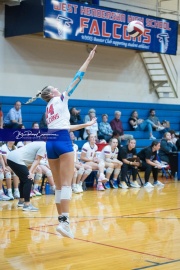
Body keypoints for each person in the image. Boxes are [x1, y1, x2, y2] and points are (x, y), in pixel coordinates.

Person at [24, 45, 97, 238]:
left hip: (51, 142)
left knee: (58, 186)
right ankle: (65, 222)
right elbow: (77, 78)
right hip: (63, 142)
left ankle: (62, 222)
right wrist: (89, 59)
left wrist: (86, 124)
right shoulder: (61, 98)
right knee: (66, 184)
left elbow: (64, 126)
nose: (58, 88)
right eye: (55, 87)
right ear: (52, 93)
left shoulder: (48, 110)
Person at [7, 141, 46, 211]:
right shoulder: (44, 145)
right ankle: (27, 205)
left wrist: (31, 171)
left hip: (10, 158)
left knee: (23, 179)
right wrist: (31, 172)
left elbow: (31, 160)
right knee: (28, 179)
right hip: (16, 159)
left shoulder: (38, 143)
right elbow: (37, 160)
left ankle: (21, 201)